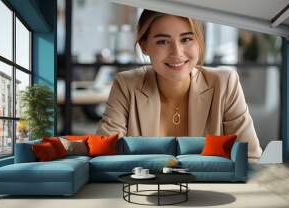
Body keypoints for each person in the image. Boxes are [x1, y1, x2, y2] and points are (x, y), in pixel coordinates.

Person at [96, 10, 262, 159]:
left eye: (187, 39)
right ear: (144, 46)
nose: (177, 52)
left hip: (210, 191)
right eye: (163, 41)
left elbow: (249, 158)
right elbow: (105, 155)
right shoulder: (126, 85)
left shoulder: (225, 84)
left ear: (199, 41)